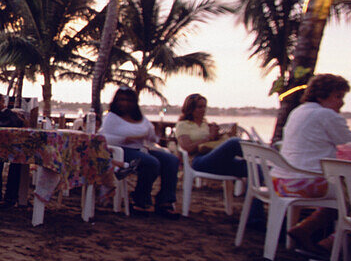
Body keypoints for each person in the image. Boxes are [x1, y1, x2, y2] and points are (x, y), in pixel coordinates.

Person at [275, 74, 351, 253]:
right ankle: (335, 245)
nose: (342, 103)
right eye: (338, 96)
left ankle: (307, 229)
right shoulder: (325, 114)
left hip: (282, 181)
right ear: (321, 96)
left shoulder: (299, 111)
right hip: (306, 183)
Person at [99, 86, 180, 219]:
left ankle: (165, 201)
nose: (124, 103)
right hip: (121, 151)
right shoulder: (111, 118)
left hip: (141, 149)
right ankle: (141, 199)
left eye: (128, 100)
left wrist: (153, 133)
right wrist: (127, 139)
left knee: (171, 160)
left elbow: (152, 138)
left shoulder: (141, 118)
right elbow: (104, 139)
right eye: (121, 100)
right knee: (151, 163)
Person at [174, 94, 247, 178]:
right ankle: (259, 154)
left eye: (204, 107)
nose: (203, 110)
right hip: (196, 160)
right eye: (199, 107)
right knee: (234, 142)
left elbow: (211, 142)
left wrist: (218, 135)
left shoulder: (205, 124)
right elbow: (187, 148)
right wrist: (209, 137)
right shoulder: (183, 125)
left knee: (252, 167)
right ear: (190, 108)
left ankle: (254, 189)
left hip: (212, 157)